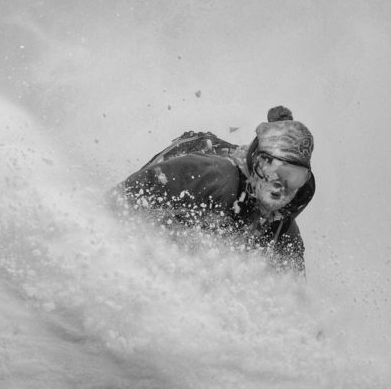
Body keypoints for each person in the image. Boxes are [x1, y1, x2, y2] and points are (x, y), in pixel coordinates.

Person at [113, 105, 315, 272]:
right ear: (257, 163)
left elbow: (293, 297)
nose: (279, 185)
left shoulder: (283, 231)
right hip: (188, 168)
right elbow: (122, 198)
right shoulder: (212, 175)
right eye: (271, 167)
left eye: (294, 177)